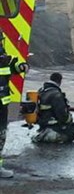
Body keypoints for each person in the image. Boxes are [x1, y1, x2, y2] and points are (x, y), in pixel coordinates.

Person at [0, 30, 29, 178]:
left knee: (1, 135)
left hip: (2, 102)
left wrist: (20, 66)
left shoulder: (2, 54)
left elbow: (8, 67)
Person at [32, 73, 74, 144]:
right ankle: (52, 136)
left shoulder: (41, 91)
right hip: (53, 125)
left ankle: (44, 135)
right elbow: (62, 116)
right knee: (72, 132)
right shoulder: (57, 95)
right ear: (60, 81)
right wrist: (70, 121)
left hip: (43, 124)